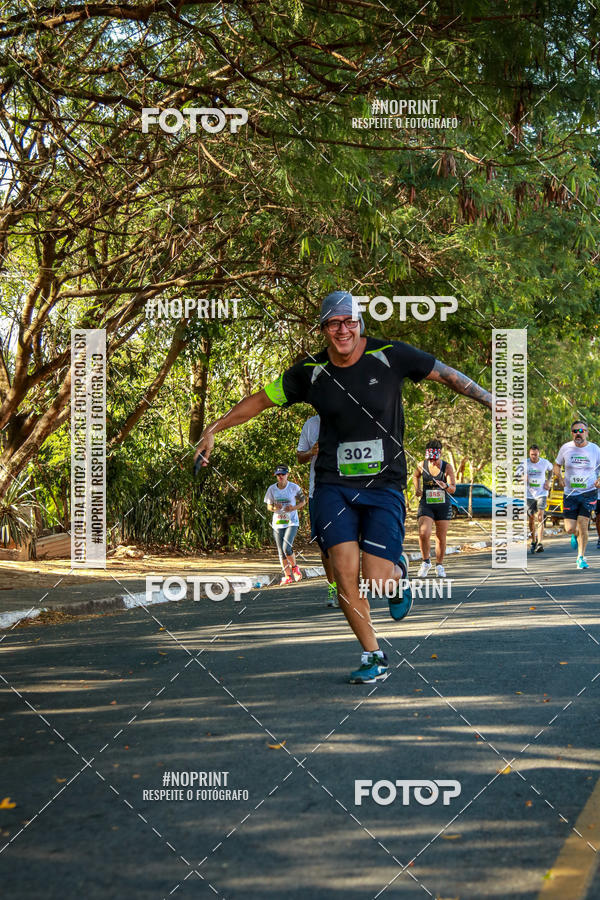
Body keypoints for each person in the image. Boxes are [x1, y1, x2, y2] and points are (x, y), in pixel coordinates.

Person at [194, 290, 492, 684]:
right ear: (324, 329)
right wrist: (212, 430)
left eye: (350, 321)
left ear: (360, 323)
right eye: (334, 323)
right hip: (333, 484)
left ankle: (397, 573)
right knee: (345, 575)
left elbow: (447, 375)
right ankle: (374, 654)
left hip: (384, 483)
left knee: (377, 579)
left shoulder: (391, 355)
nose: (343, 329)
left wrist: (492, 401)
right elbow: (259, 400)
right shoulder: (310, 371)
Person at [296, 414, 338, 607]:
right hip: (318, 492)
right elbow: (299, 457)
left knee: (348, 542)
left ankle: (349, 587)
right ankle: (333, 586)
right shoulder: (311, 424)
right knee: (325, 545)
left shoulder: (346, 416)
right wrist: (311, 452)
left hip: (345, 489)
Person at [553, 421, 600, 569]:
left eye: (581, 430)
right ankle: (575, 535)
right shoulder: (566, 448)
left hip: (589, 493)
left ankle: (581, 557)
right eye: (574, 431)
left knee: (583, 524)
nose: (578, 433)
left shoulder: (595, 449)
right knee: (570, 529)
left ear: (586, 432)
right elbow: (557, 465)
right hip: (570, 494)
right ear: (571, 433)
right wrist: (559, 477)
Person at [413, 439, 456, 578]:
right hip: (426, 503)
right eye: (430, 459)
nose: (432, 462)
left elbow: (453, 489)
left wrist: (446, 486)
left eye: (434, 459)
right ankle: (426, 562)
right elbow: (415, 475)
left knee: (440, 537)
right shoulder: (422, 465)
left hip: (443, 505)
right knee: (424, 533)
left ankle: (439, 565)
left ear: (440, 455)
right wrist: (417, 488)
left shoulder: (447, 467)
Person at [264, 464, 306, 584]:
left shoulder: (294, 487)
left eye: (283, 474)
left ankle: (295, 568)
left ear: (287, 474)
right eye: (278, 475)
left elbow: (303, 501)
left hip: (291, 522)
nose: (281, 477)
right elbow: (268, 506)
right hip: (278, 522)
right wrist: (274, 507)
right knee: (281, 551)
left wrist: (293, 508)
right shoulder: (272, 489)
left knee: (286, 547)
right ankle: (287, 576)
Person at [523, 445, 553, 553]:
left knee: (540, 517)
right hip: (529, 495)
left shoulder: (545, 462)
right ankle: (533, 541)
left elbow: (551, 470)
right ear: (529, 454)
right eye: (532, 454)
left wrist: (548, 481)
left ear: (539, 453)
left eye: (536, 454)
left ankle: (540, 543)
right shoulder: (524, 463)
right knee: (531, 519)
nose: (534, 457)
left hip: (542, 493)